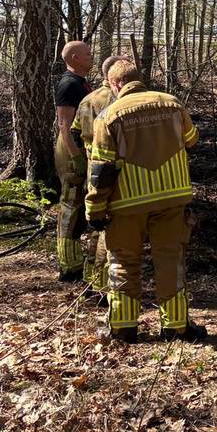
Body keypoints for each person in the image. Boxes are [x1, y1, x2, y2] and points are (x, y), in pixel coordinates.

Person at [84, 61, 205, 343]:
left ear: (115, 85)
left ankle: (123, 327)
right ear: (140, 80)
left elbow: (102, 169)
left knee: (124, 261)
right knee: (170, 259)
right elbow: (192, 139)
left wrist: (94, 208)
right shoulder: (172, 104)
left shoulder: (108, 116)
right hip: (171, 197)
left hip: (127, 202)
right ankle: (176, 326)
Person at [69, 54, 128, 301]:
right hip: (114, 172)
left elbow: (73, 132)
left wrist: (86, 157)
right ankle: (104, 289)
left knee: (96, 227)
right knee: (109, 231)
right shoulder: (120, 101)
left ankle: (91, 281)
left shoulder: (87, 100)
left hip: (94, 169)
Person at [53, 41, 94, 281]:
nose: (92, 57)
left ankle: (77, 259)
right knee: (71, 205)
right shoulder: (69, 84)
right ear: (76, 58)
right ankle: (69, 266)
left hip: (80, 148)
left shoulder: (81, 82)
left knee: (80, 205)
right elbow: (64, 126)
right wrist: (76, 157)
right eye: (88, 54)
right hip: (70, 149)